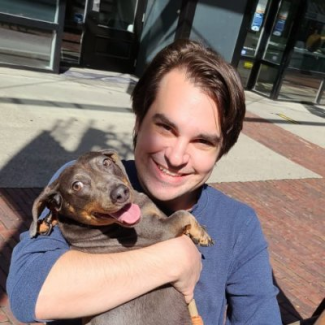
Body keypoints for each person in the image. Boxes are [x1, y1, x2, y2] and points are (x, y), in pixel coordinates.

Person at [7, 39, 282, 324]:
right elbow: (29, 292)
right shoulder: (82, 182)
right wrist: (171, 260)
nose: (176, 157)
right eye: (165, 127)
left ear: (220, 151)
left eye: (202, 141)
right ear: (138, 122)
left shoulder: (238, 224)